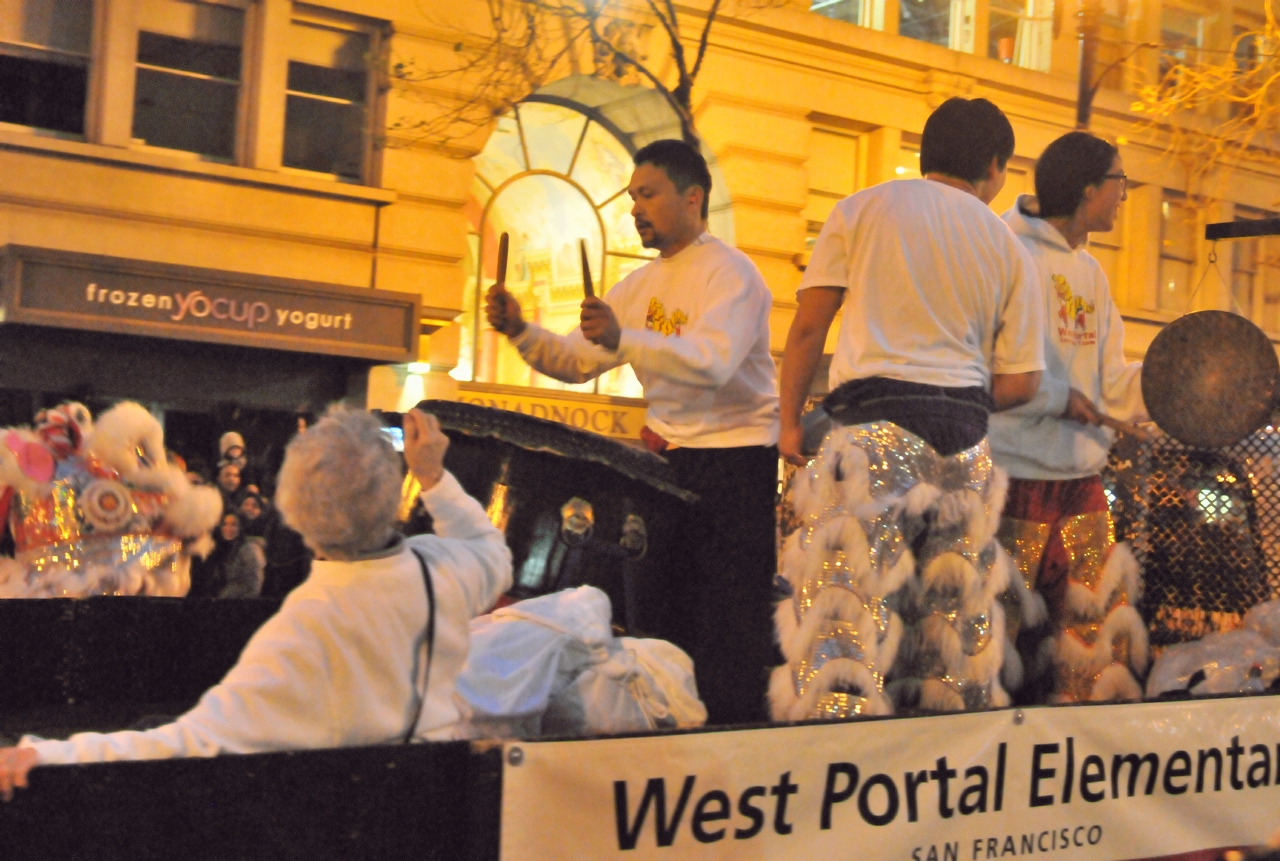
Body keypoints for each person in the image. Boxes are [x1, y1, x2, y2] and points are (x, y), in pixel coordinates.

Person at [0, 407, 512, 800]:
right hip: (437, 805)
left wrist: (44, 755)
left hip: (351, 818)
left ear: (292, 508)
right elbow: (492, 552)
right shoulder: (444, 569)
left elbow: (191, 743)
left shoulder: (304, 626)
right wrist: (433, 476)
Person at [485, 138, 779, 725]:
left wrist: (624, 338)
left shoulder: (733, 275)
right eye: (631, 198)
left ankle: (729, 741)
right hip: (669, 464)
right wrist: (521, 329)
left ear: (692, 198)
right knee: (665, 609)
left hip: (735, 464)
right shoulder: (641, 286)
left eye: (647, 195)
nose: (634, 209)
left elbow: (712, 362)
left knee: (725, 624)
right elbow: (575, 359)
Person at [772, 97, 1045, 719]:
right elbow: (1023, 381)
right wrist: (965, 396)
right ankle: (942, 781)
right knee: (951, 636)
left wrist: (790, 424)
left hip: (872, 433)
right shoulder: (1005, 246)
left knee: (844, 626)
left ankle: (831, 772)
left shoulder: (863, 208)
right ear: (995, 167)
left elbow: (809, 328)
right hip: (964, 444)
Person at [987, 131, 1149, 703]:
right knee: (999, 632)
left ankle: (1080, 758)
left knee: (1091, 635)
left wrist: (1168, 383)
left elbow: (1109, 383)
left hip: (1081, 482)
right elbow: (988, 369)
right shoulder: (1005, 251)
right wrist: (1053, 398)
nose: (1125, 195)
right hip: (1014, 477)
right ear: (1088, 190)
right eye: (1119, 182)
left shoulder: (1093, 274)